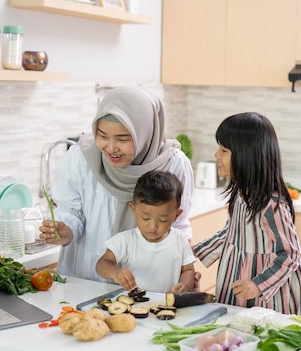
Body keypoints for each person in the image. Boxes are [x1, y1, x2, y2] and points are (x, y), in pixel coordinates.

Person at [39, 86, 194, 281]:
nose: (111, 148)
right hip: (86, 280)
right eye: (103, 136)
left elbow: (177, 224)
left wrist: (186, 275)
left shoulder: (174, 163)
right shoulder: (79, 159)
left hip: (150, 284)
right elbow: (70, 213)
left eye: (123, 138)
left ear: (144, 134)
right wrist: (65, 230)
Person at [193, 112, 301, 317]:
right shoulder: (241, 193)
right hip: (241, 279)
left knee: (266, 335)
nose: (216, 155)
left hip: (270, 294)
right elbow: (231, 233)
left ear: (246, 156)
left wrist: (258, 285)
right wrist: (193, 253)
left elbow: (291, 254)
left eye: (223, 150)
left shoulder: (271, 206)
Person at [96, 170, 196, 293]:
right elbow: (102, 264)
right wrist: (115, 273)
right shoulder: (126, 240)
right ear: (133, 209)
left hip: (167, 307)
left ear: (176, 215)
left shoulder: (180, 239)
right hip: (133, 307)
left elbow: (188, 270)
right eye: (146, 218)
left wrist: (185, 285)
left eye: (163, 220)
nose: (153, 226)